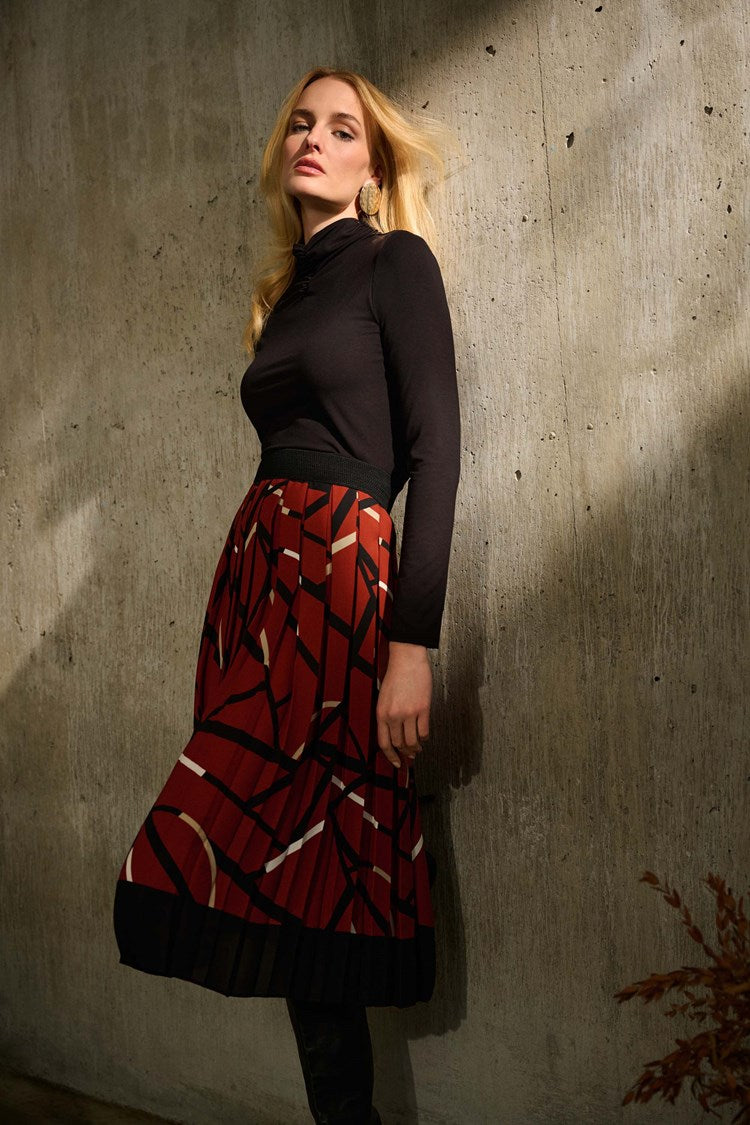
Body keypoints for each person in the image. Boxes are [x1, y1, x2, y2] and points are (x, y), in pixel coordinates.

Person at [113, 65, 461, 1124]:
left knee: (307, 874)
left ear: (374, 162)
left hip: (341, 591)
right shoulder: (286, 296)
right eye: (301, 124)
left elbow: (436, 451)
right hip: (261, 593)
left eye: (342, 128)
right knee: (298, 890)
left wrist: (414, 644)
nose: (315, 139)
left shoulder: (394, 263)